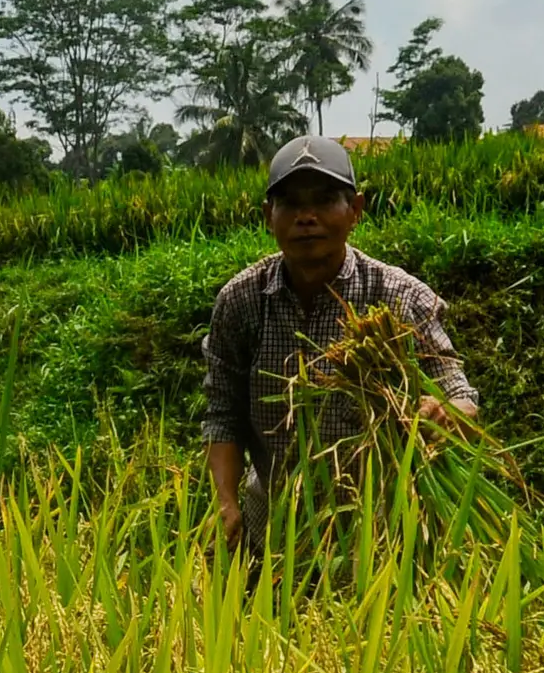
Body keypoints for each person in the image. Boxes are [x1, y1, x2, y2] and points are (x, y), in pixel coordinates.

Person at [202, 135, 479, 553]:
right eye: (290, 203)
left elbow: (461, 397)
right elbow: (223, 414)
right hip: (270, 537)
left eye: (325, 200)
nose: (306, 217)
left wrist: (447, 412)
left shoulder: (398, 298)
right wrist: (224, 502)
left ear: (355, 211)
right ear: (267, 216)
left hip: (380, 545)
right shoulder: (241, 302)